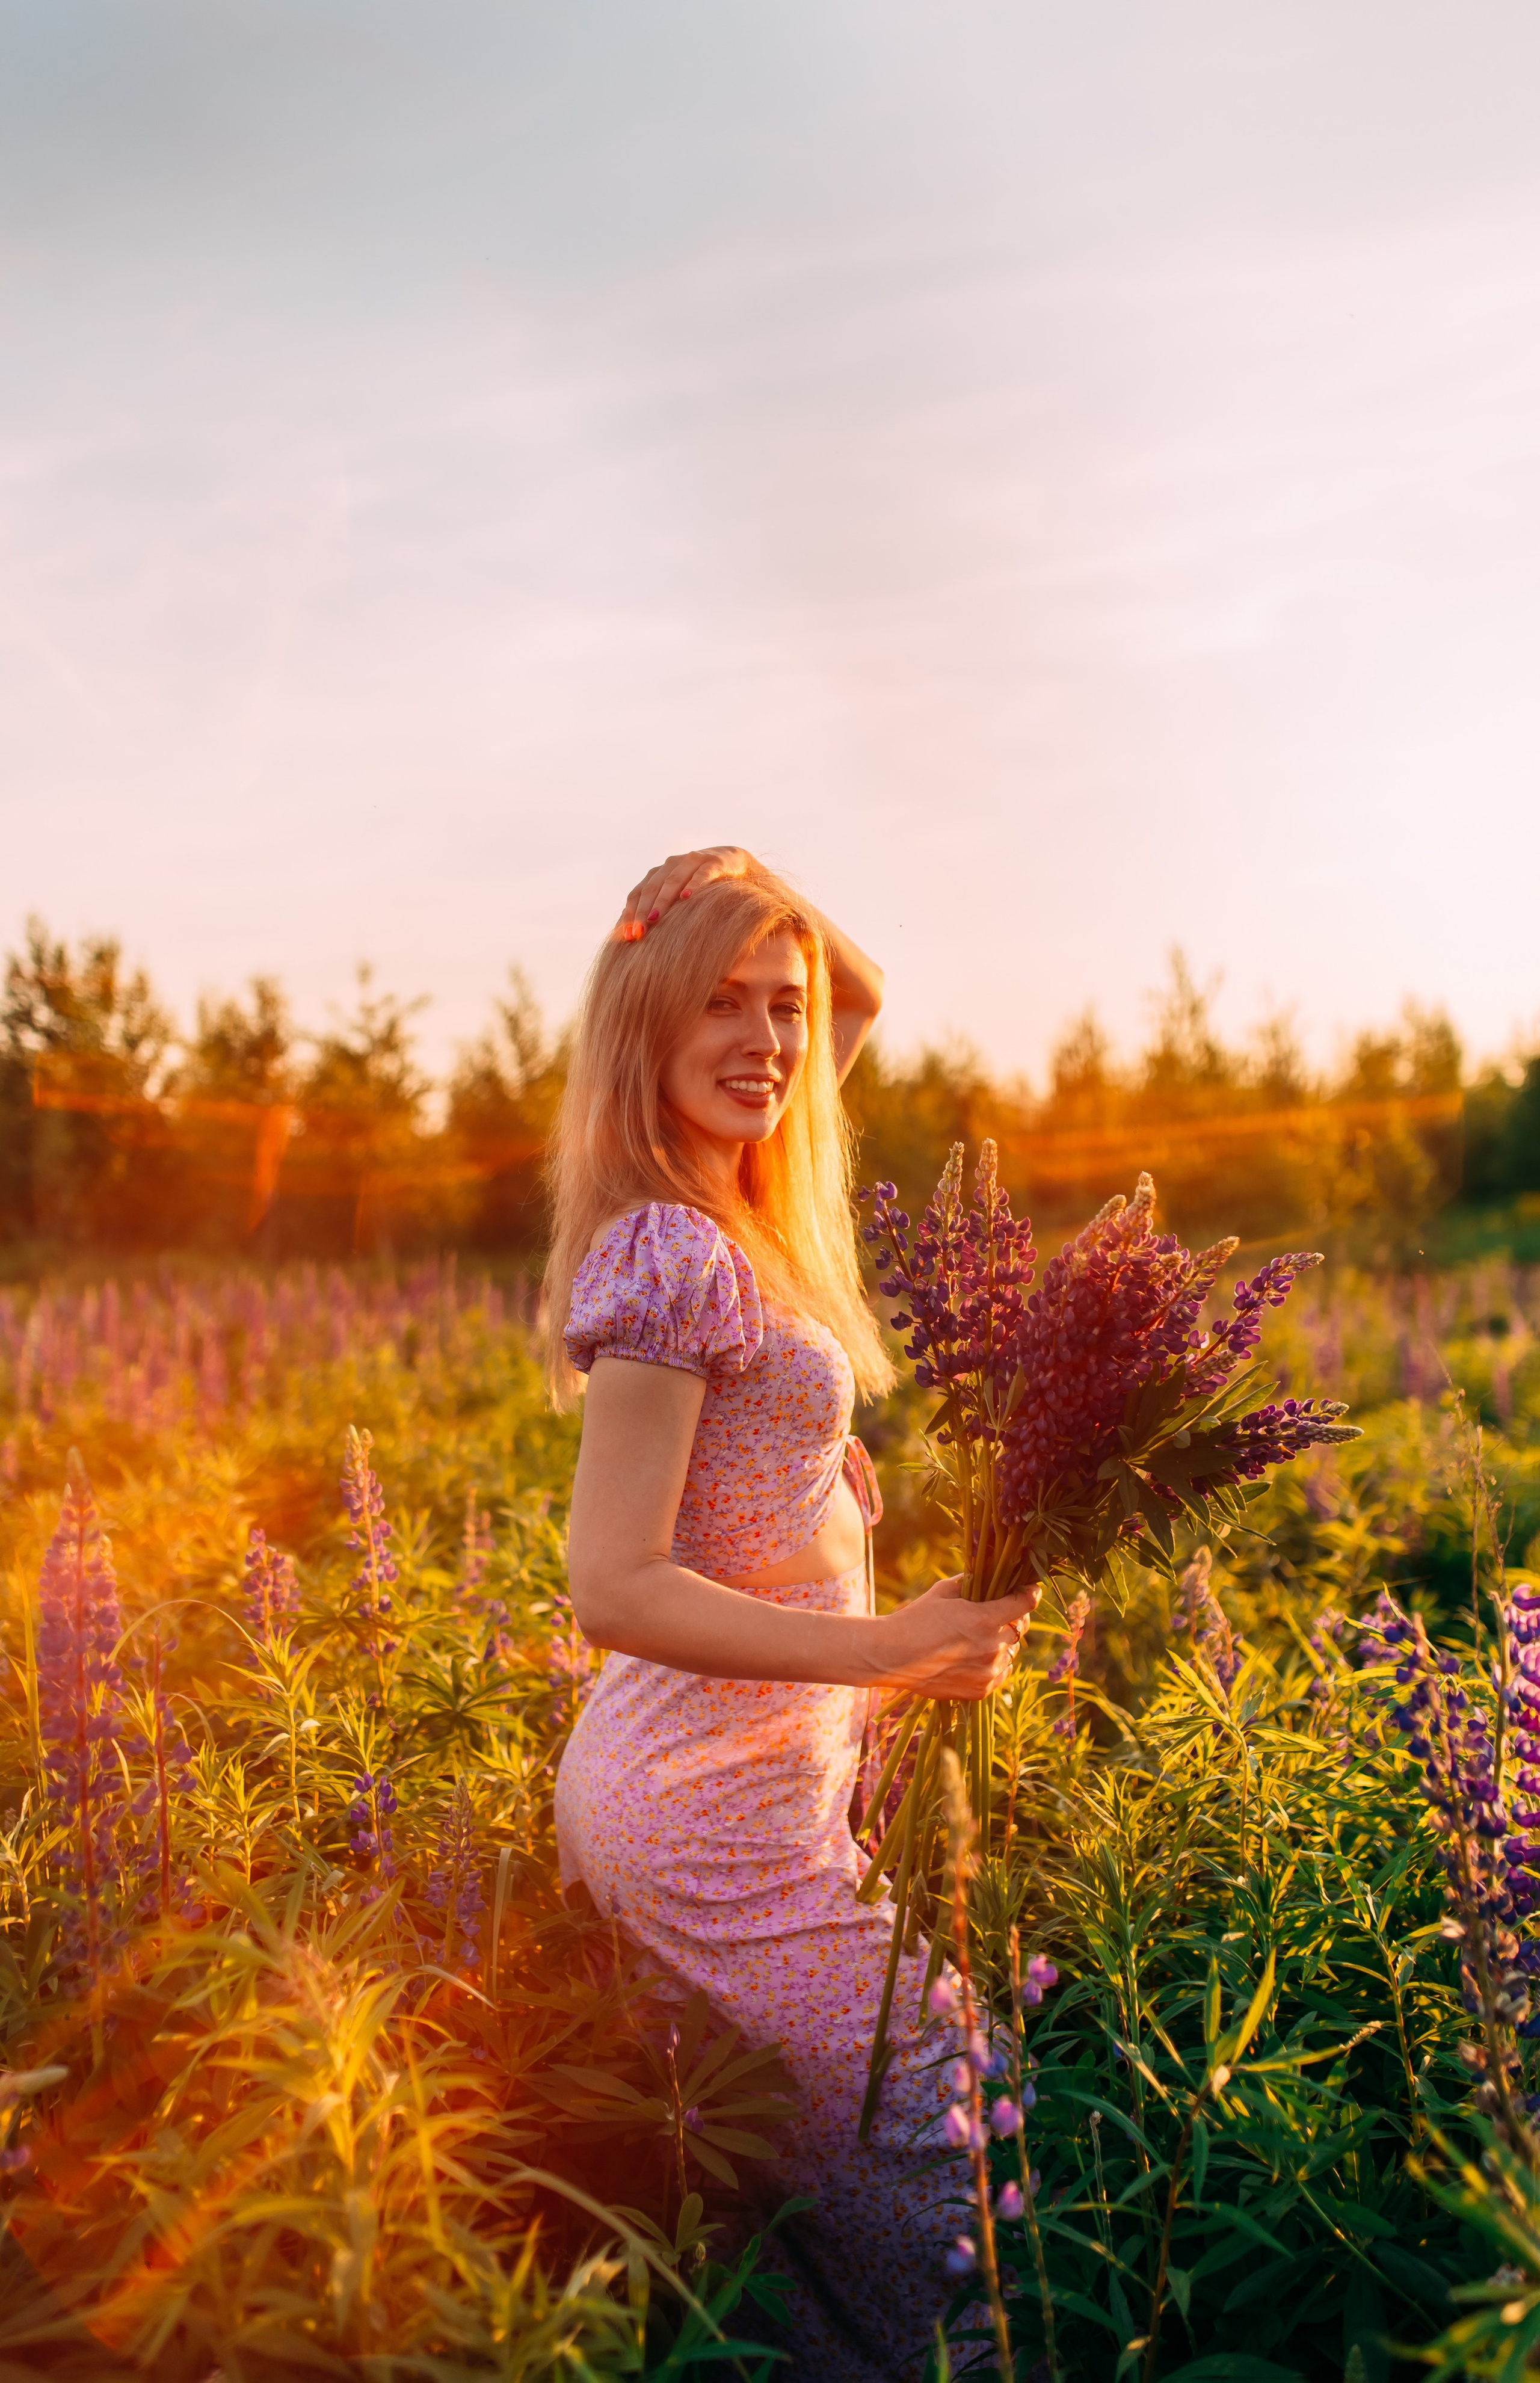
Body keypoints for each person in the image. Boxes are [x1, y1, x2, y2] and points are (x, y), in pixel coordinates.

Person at [549, 846, 1036, 2381]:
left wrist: (748, 879)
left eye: (780, 1004)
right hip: (703, 1817)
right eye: (718, 1003)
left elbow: (860, 988)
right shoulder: (670, 1246)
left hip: (738, 1796)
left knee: (786, 2206)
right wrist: (885, 1649)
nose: (767, 1039)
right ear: (642, 1025)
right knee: (950, 2149)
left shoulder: (731, 1215)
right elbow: (608, 1581)